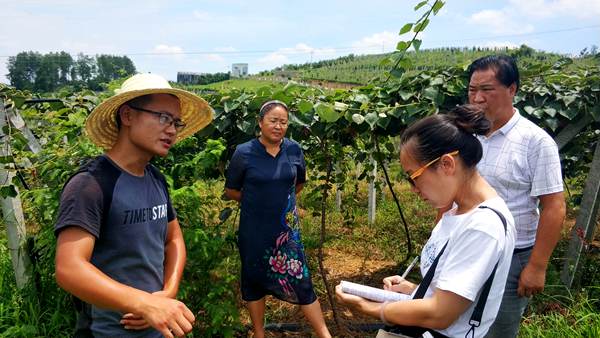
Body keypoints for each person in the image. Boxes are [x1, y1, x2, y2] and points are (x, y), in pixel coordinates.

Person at [54, 73, 213, 338]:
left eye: (176, 122)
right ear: (127, 116)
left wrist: (167, 293)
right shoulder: (91, 184)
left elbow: (173, 239)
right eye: (163, 117)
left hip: (156, 330)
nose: (172, 129)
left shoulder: (155, 179)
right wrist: (142, 303)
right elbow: (69, 268)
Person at [336, 105, 516, 338]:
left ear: (447, 164)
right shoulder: (458, 212)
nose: (414, 189)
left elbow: (440, 314)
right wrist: (413, 290)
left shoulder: (483, 226)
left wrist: (369, 308)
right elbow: (452, 293)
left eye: (414, 177)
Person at [466, 55, 566, 338]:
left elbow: (554, 207)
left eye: (487, 89)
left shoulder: (535, 142)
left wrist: (536, 266)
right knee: (455, 323)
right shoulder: (468, 136)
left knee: (498, 331)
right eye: (473, 90)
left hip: (510, 258)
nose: (478, 98)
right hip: (468, 248)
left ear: (512, 90)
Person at [224, 100, 331, 338]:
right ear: (260, 123)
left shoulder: (294, 150)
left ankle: (325, 335)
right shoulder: (244, 152)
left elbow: (298, 183)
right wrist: (257, 200)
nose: (278, 126)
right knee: (254, 282)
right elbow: (231, 190)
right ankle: (259, 334)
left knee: (302, 281)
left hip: (286, 232)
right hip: (254, 231)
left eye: (283, 122)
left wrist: (282, 203)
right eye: (273, 121)